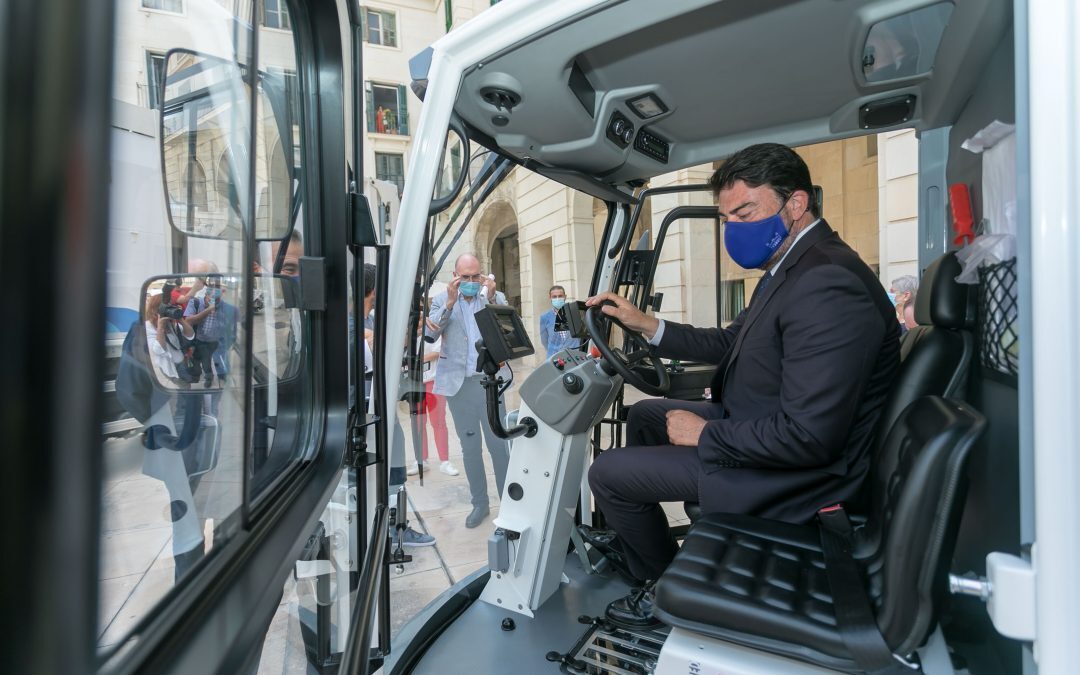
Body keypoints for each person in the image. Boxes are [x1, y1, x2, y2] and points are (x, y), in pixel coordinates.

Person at [585, 143, 901, 627]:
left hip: (798, 476)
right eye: (727, 217)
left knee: (607, 473)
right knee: (648, 414)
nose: (734, 228)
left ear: (795, 204)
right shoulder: (792, 267)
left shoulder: (827, 283)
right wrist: (648, 325)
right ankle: (655, 539)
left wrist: (705, 434)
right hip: (766, 428)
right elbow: (731, 342)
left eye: (745, 211)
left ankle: (668, 588)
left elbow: (810, 437)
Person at [425, 253, 510, 528]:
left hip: (489, 382)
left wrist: (494, 298)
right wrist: (449, 303)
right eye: (466, 277)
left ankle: (509, 506)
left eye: (476, 277)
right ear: (455, 277)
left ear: (482, 275)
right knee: (470, 448)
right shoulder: (441, 300)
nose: (471, 282)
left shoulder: (494, 298)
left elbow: (508, 329)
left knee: (499, 446)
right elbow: (431, 334)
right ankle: (479, 504)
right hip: (458, 386)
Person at [358, 263, 436, 547]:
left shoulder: (371, 320)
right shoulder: (355, 323)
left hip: (382, 410)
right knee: (377, 473)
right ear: (376, 291)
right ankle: (384, 530)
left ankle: (396, 524)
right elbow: (374, 351)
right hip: (365, 413)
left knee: (395, 468)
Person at [409, 295, 459, 477]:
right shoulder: (406, 331)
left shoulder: (433, 327)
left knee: (438, 422)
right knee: (417, 422)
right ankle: (420, 460)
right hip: (414, 384)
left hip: (433, 382)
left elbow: (438, 351)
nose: (419, 311)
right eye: (416, 307)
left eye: (422, 307)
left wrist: (416, 359)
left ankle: (445, 461)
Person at [538, 285, 580, 358]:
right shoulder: (545, 317)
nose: (557, 299)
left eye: (560, 296)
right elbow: (544, 341)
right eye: (554, 296)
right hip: (554, 358)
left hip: (574, 357)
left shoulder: (574, 313)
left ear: (565, 297)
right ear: (550, 298)